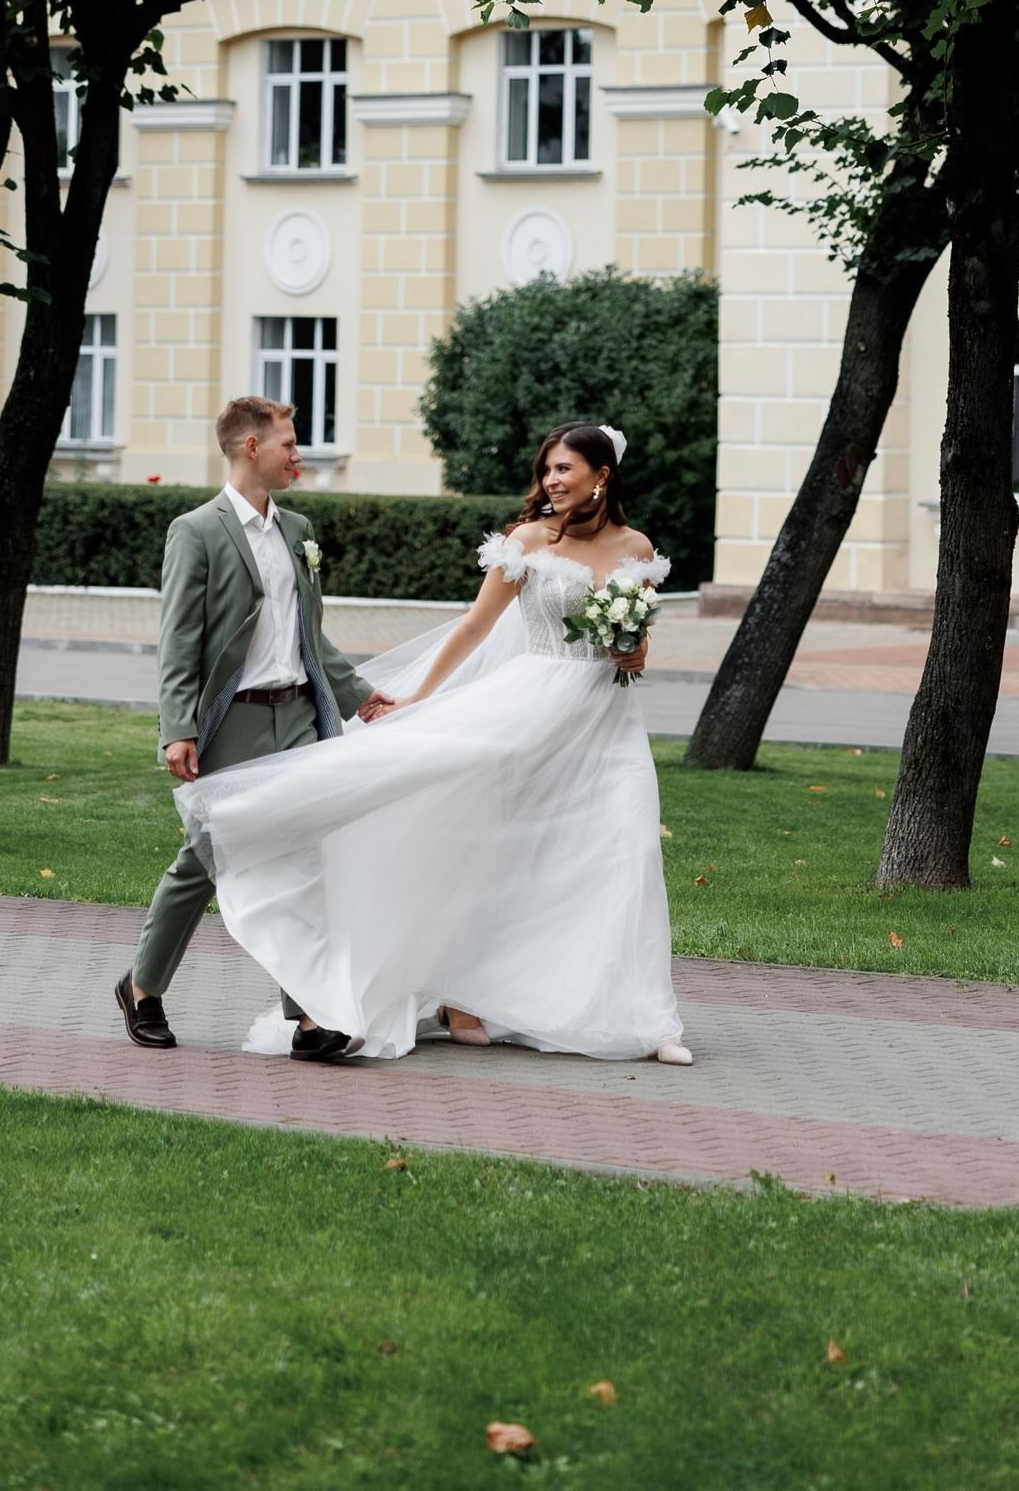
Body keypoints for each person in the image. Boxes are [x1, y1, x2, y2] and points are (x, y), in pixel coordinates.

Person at [175, 419, 691, 1065]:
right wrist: (422, 697)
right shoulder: (525, 541)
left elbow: (635, 646)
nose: (551, 481)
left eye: (564, 469)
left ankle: (645, 1018)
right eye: (547, 470)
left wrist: (633, 650)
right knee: (494, 849)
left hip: (606, 716)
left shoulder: (637, 546)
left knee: (627, 843)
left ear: (601, 475)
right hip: (531, 706)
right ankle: (459, 997)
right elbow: (476, 627)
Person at [114, 394, 391, 1059]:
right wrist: (178, 727)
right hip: (231, 725)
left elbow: (310, 638)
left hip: (297, 717)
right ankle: (144, 988)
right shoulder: (198, 531)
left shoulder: (296, 529)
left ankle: (309, 1018)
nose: (300, 455)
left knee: (302, 862)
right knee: (205, 860)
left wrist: (360, 696)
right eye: (290, 444)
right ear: (250, 449)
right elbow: (178, 642)